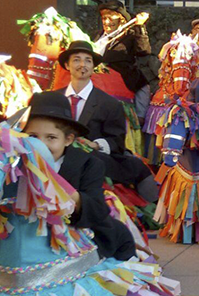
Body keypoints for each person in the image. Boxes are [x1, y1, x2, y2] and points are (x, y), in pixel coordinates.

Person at [24, 92, 136, 260]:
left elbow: (97, 209)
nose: (41, 145)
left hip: (79, 237)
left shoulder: (89, 164)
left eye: (51, 137)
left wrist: (63, 191)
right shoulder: (15, 165)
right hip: (27, 236)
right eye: (33, 137)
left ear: (68, 140)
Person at [56, 40, 159, 202]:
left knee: (135, 166)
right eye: (76, 59)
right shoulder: (54, 99)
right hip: (57, 161)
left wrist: (95, 145)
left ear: (93, 67)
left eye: (88, 61)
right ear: (67, 65)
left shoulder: (109, 104)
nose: (82, 65)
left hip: (94, 160)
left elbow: (116, 141)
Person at [94, 1, 159, 121]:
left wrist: (140, 26)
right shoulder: (98, 37)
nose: (106, 22)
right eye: (104, 18)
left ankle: (139, 120)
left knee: (143, 88)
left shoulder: (130, 35)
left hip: (125, 77)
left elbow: (143, 51)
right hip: (98, 78)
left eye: (110, 18)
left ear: (121, 19)